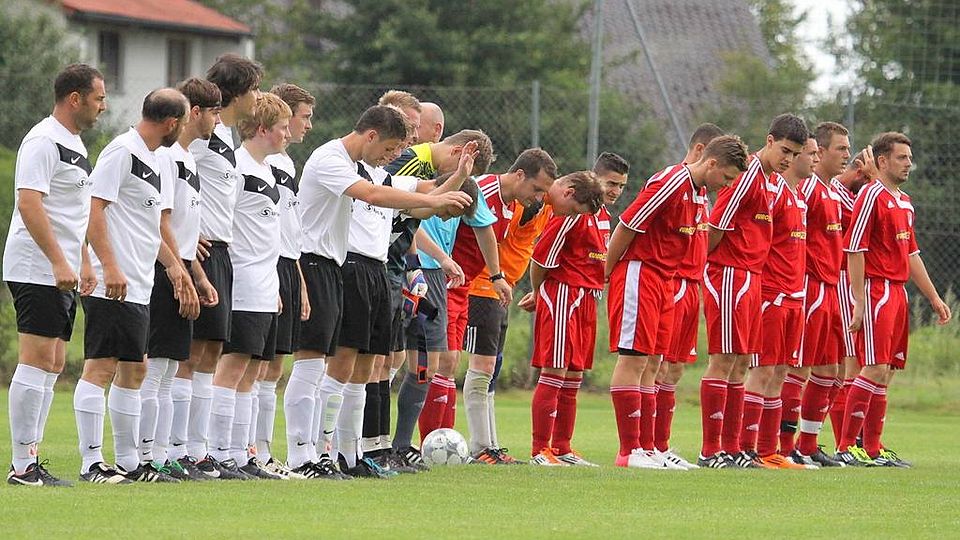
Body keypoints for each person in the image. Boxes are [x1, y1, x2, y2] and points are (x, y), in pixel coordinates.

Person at [287, 105, 470, 479]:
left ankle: (349, 454)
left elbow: (419, 195)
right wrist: (434, 201)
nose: (394, 156)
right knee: (327, 363)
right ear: (371, 136)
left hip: (368, 270)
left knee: (365, 367)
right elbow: (373, 195)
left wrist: (457, 179)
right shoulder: (331, 159)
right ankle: (309, 454)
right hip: (330, 265)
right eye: (390, 149)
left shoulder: (375, 171)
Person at [607, 135, 748, 469]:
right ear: (711, 162)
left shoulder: (698, 193)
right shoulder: (671, 181)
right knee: (634, 360)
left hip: (665, 280)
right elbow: (627, 225)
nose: (726, 185)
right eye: (726, 177)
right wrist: (606, 272)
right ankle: (628, 451)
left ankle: (647, 447)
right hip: (640, 273)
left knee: (654, 364)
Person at [74, 88, 189, 483]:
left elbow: (146, 228)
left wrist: (174, 267)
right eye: (183, 123)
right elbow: (92, 211)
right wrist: (109, 267)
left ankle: (129, 464)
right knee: (101, 367)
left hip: (139, 284)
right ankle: (91, 464)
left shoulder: (153, 159)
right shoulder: (121, 151)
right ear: (171, 123)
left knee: (135, 369)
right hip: (113, 282)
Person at [417, 148, 561, 464]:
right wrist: (442, 264)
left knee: (454, 364)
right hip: (452, 283)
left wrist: (498, 277)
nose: (538, 198)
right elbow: (434, 225)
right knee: (443, 362)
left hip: (469, 285)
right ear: (519, 175)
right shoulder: (482, 189)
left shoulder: (512, 204)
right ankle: (440, 446)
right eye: (536, 189)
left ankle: (455, 446)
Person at [5, 63, 106, 486]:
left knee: (55, 361)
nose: (103, 106)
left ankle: (32, 458)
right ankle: (22, 466)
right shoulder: (43, 140)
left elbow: (71, 213)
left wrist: (82, 260)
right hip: (36, 265)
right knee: (36, 358)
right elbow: (29, 204)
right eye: (98, 98)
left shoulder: (75, 144)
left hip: (61, 267)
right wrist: (58, 261)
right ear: (75, 99)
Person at [377, 129, 495, 472]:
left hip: (424, 275)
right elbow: (408, 214)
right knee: (385, 360)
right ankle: (372, 443)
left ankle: (399, 445)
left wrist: (434, 261)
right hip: (398, 274)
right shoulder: (407, 164)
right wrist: (424, 264)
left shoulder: (437, 175)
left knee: (423, 365)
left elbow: (410, 224)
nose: (448, 219)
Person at [697, 114, 808, 469]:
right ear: (770, 140)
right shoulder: (747, 177)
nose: (789, 159)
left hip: (751, 277)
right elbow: (716, 225)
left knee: (742, 362)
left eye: (795, 154)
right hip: (730, 274)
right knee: (724, 360)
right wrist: (704, 267)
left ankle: (733, 449)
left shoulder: (770, 181)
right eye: (785, 150)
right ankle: (710, 450)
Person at [836, 132, 951, 466]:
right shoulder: (871, 195)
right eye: (901, 158)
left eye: (910, 158)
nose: (908, 163)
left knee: (886, 371)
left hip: (898, 292)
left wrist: (934, 298)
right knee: (873, 368)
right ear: (882, 161)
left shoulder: (905, 201)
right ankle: (847, 447)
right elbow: (854, 248)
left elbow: (911, 254)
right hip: (877, 290)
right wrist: (859, 299)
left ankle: (873, 448)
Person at [202, 93, 297, 481]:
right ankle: (217, 453)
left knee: (254, 372)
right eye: (283, 127)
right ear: (262, 129)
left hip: (264, 283)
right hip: (241, 281)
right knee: (233, 367)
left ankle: (242, 455)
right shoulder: (239, 167)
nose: (288, 134)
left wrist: (273, 286)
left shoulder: (269, 171)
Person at [184, 54, 263, 479]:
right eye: (254, 89)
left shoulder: (225, 138)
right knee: (190, 353)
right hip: (200, 251)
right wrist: (187, 231)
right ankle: (181, 450)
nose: (258, 97)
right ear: (237, 91)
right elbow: (177, 180)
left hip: (222, 251)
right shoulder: (198, 136)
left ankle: (202, 451)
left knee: (211, 351)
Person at [140, 77, 221, 481]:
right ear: (195, 113)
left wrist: (198, 274)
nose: (217, 121)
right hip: (164, 269)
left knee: (172, 367)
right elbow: (161, 221)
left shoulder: (188, 158)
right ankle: (144, 457)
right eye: (214, 112)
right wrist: (179, 271)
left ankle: (164, 454)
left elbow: (187, 230)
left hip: (183, 268)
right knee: (157, 365)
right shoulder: (167, 158)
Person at [520, 171, 607, 466]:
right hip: (564, 295)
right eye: (612, 183)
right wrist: (538, 292)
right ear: (570, 194)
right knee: (555, 370)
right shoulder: (566, 216)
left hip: (586, 298)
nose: (616, 190)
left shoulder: (594, 213)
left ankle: (562, 447)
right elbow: (540, 260)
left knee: (573, 375)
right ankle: (539, 449)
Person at [738, 132, 814, 470]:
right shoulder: (769, 188)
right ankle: (745, 448)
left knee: (781, 371)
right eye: (803, 152)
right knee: (763, 369)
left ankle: (769, 451)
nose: (807, 158)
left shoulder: (797, 195)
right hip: (771, 293)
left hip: (795, 295)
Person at [651, 124, 725, 470]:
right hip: (671, 283)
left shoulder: (701, 193)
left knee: (675, 368)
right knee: (658, 366)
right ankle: (646, 446)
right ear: (701, 151)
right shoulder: (672, 181)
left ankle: (661, 446)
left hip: (691, 286)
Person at [780, 122, 851, 468]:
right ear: (819, 152)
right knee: (799, 366)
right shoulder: (806, 189)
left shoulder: (832, 191)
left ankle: (807, 445)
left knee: (830, 368)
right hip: (809, 285)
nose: (847, 155)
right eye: (841, 149)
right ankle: (784, 446)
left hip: (831, 287)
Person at [253, 83, 314, 479]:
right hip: (266, 265)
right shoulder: (261, 162)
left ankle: (262, 451)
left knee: (274, 366)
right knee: (255, 365)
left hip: (288, 265)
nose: (306, 125)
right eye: (302, 117)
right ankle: (249, 451)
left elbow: (290, 228)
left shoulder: (286, 164)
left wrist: (299, 280)